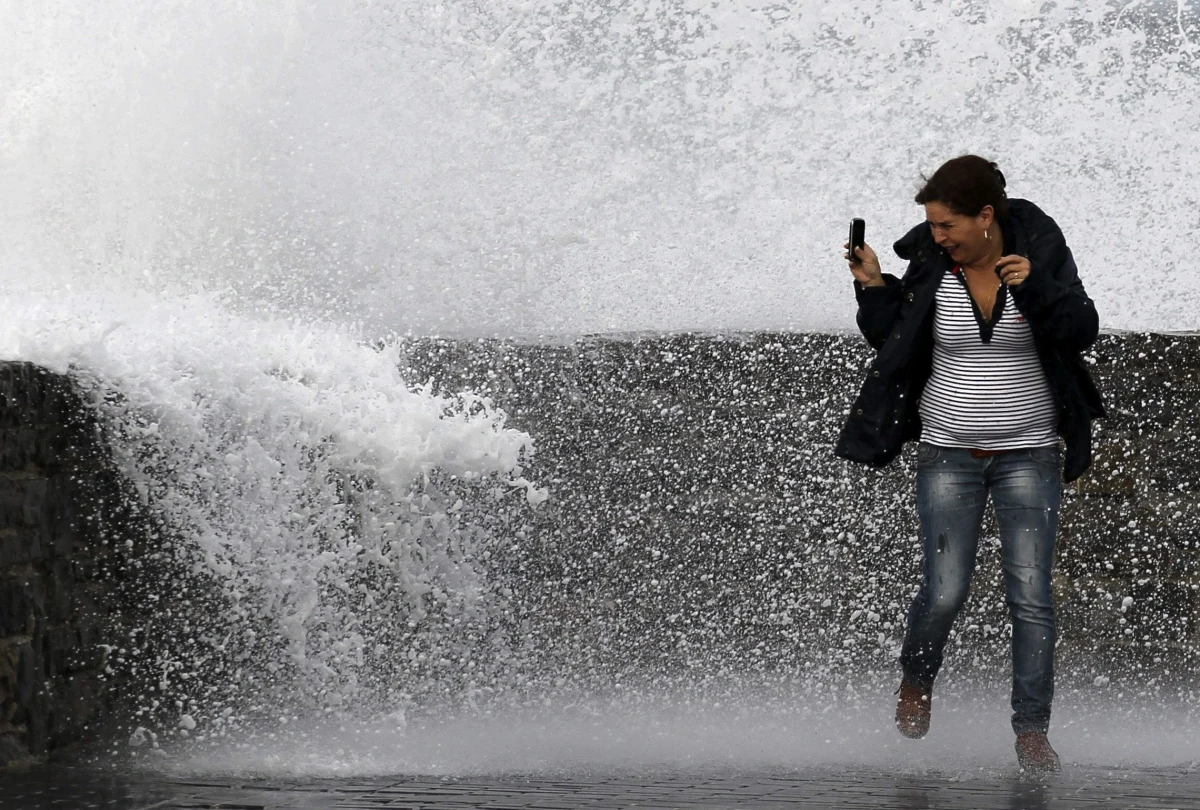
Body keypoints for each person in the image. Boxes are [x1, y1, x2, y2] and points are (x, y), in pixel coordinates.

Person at [833, 155, 1105, 773]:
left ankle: (1032, 730)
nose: (936, 236)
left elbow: (1081, 328)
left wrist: (1035, 285)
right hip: (948, 456)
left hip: (1029, 456)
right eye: (932, 225)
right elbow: (893, 340)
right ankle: (916, 680)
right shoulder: (933, 267)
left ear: (986, 217)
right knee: (946, 589)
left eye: (947, 224)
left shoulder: (1038, 257)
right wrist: (872, 283)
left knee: (1032, 596)